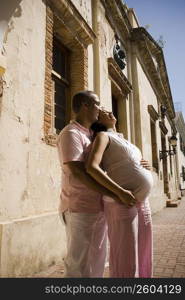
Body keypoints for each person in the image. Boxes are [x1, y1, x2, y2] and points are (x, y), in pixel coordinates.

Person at [56, 90, 133, 278]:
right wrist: (116, 193)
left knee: (97, 259)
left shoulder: (94, 134)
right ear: (85, 105)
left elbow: (117, 158)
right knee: (78, 263)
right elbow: (78, 172)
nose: (100, 108)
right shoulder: (71, 133)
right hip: (80, 207)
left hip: (99, 207)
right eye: (97, 103)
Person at [86, 109, 154, 278]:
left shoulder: (124, 139)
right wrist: (120, 192)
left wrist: (147, 166)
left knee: (144, 249)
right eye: (102, 111)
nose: (109, 111)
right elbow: (91, 167)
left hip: (143, 201)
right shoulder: (103, 136)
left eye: (109, 110)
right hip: (121, 201)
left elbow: (129, 164)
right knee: (124, 254)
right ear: (98, 119)